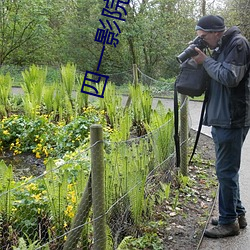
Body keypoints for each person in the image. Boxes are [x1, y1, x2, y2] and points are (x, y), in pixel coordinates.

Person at [192, 15, 250, 238]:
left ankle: (228, 223)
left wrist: (205, 61)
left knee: (225, 171)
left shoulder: (238, 44)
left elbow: (229, 77)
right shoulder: (221, 46)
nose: (203, 41)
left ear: (216, 32)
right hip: (222, 117)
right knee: (227, 171)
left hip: (232, 118)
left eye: (204, 37)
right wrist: (202, 60)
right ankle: (237, 214)